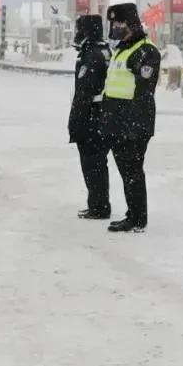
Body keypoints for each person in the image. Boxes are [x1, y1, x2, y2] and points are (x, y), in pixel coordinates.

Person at [101, 2, 160, 232]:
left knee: (133, 171)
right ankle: (132, 213)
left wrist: (134, 127)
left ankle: (137, 218)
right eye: (113, 23)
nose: (115, 27)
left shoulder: (145, 52)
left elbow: (144, 93)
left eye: (119, 23)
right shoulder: (123, 49)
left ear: (131, 24)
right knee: (127, 172)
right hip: (118, 123)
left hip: (133, 124)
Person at [68, 14, 112, 220]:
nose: (77, 34)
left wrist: (76, 121)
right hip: (100, 116)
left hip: (92, 118)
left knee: (92, 163)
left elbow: (85, 92)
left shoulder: (92, 55)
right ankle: (97, 203)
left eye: (80, 29)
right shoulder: (102, 51)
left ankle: (99, 206)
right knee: (97, 163)